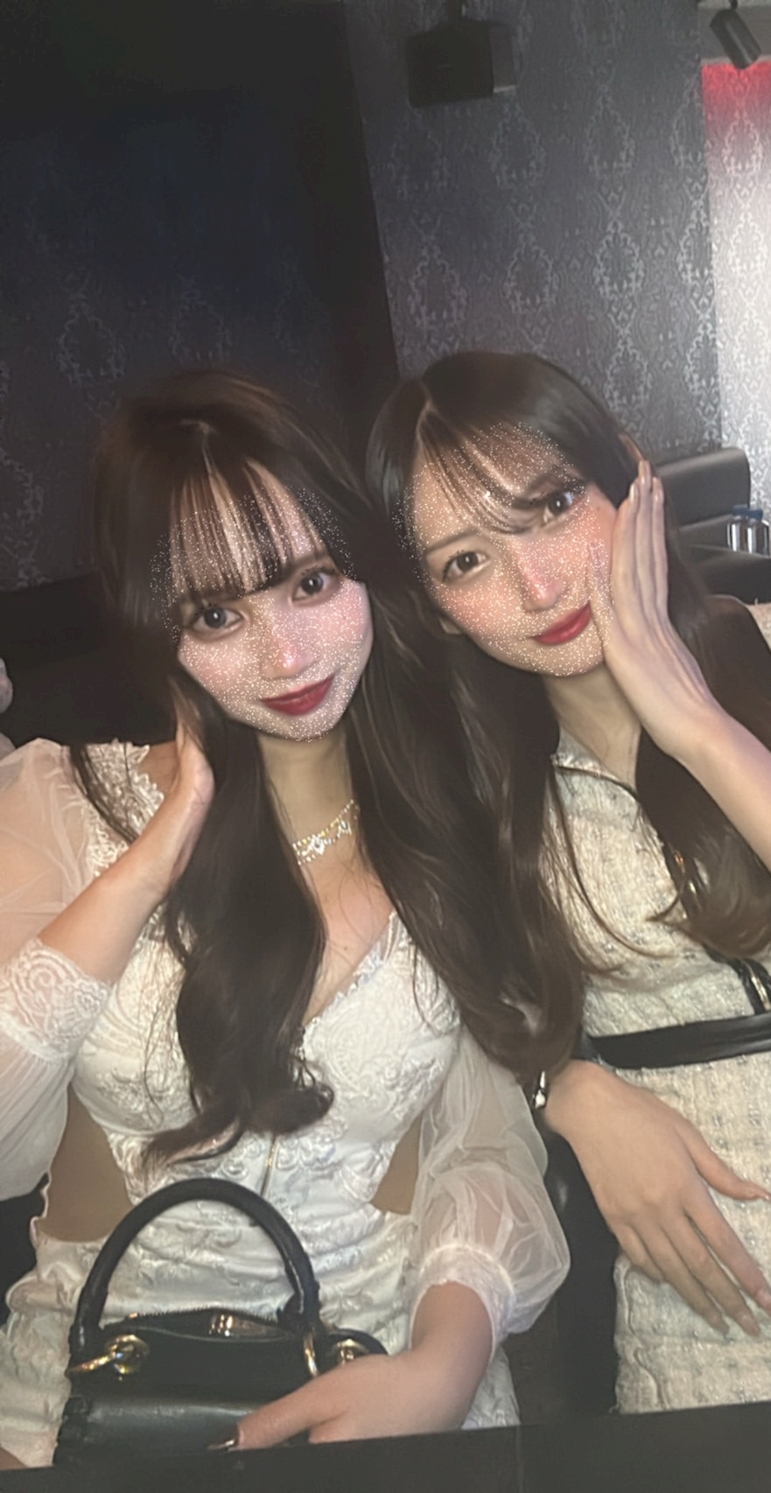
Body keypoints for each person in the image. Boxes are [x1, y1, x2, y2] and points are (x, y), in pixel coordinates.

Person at [0, 368, 571, 1469]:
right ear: (155, 627)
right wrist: (153, 855)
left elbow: (481, 1141)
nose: (288, 656)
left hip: (383, 1378)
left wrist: (445, 1365)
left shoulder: (450, 815)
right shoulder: (55, 807)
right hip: (92, 1395)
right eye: (217, 614)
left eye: (312, 582)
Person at [367, 349, 771, 1414]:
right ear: (435, 607)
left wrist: (701, 728)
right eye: (467, 562)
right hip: (716, 1329)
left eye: (553, 505)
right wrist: (567, 1091)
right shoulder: (479, 800)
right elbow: (460, 1051)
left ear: (629, 478)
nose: (540, 587)